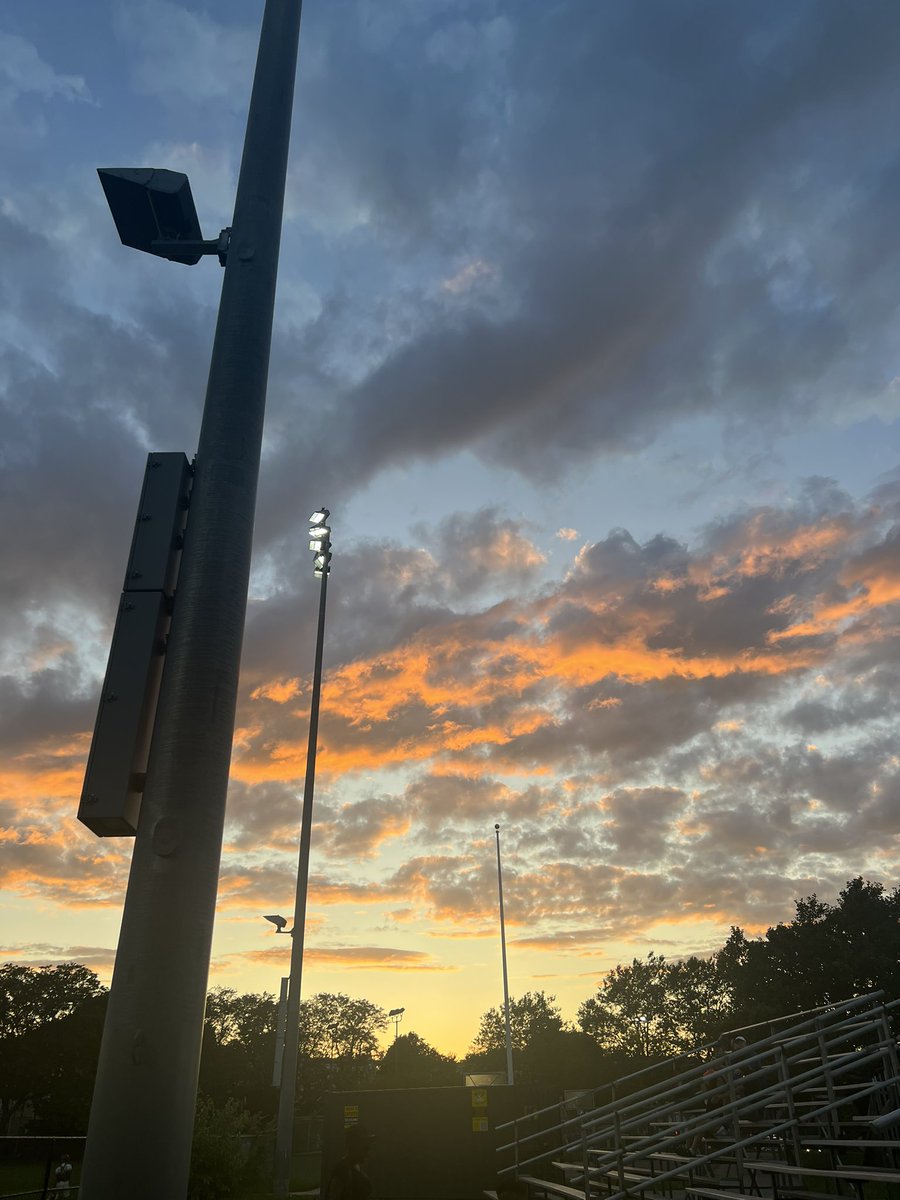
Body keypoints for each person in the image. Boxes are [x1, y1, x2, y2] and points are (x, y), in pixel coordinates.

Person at [327, 1123, 374, 1200]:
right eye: (365, 1148)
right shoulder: (342, 1170)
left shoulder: (354, 1167)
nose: (367, 1154)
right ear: (354, 1146)